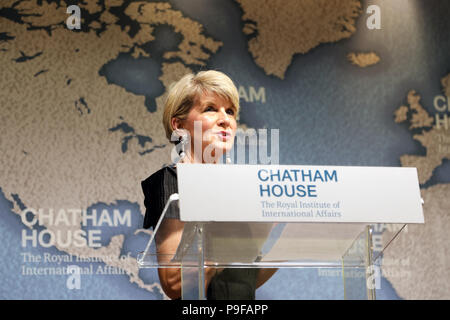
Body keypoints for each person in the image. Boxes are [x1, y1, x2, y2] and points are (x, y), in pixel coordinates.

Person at [141, 70, 276, 300]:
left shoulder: (240, 190)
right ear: (179, 125)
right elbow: (174, 283)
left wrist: (289, 252)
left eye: (230, 111)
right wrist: (221, 252)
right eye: (211, 109)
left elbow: (240, 282)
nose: (225, 120)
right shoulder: (171, 182)